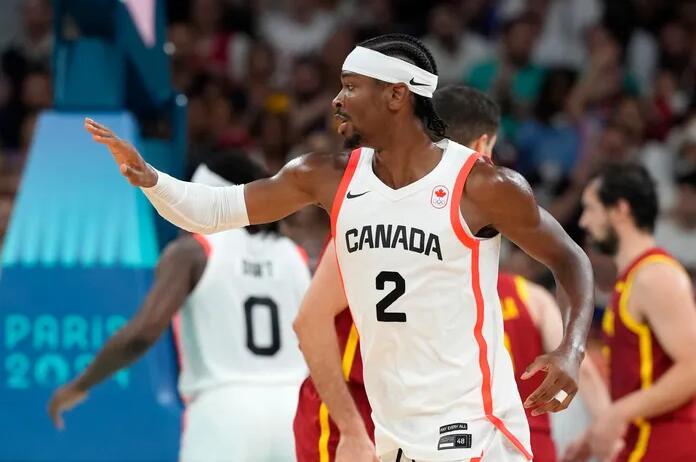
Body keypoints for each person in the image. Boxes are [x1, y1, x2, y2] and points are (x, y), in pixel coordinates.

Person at [85, 34, 594, 462]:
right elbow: (214, 210)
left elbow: (570, 259)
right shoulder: (326, 176)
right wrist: (150, 179)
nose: (336, 100)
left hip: (475, 425)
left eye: (351, 87)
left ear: (396, 96)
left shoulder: (481, 186)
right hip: (394, 431)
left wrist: (571, 349)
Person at [292, 85, 607, 462]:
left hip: (426, 418)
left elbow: (568, 257)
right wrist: (351, 429)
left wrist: (572, 349)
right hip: (352, 409)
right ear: (482, 145)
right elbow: (309, 322)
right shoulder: (374, 217)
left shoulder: (465, 220)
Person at [47, 154, 311, 462]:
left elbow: (140, 335)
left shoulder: (192, 253)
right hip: (296, 408)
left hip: (223, 411)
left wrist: (80, 385)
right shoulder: (298, 256)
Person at [563, 164, 696, 462]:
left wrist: (617, 414)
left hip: (668, 446)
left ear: (620, 210)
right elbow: (637, 382)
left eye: (591, 209)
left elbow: (693, 367)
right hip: (642, 444)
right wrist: (595, 432)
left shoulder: (655, 276)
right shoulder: (634, 278)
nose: (584, 221)